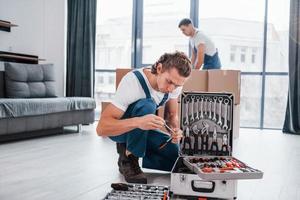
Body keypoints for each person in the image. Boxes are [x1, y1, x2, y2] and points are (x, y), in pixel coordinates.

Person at [96, 51, 191, 184]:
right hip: (121, 130)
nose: (171, 88)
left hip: (143, 128)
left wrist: (175, 130)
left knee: (179, 162)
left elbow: (171, 115)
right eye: (169, 82)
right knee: (147, 105)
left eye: (177, 85)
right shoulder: (132, 82)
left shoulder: (174, 83)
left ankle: (133, 150)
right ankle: (129, 157)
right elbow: (101, 128)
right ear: (159, 68)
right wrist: (139, 122)